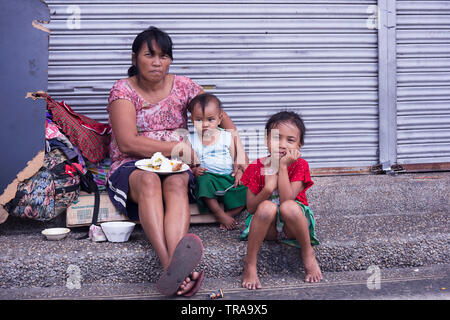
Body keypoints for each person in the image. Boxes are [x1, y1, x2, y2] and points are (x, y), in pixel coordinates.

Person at [106, 26, 240, 296]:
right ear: (134, 58)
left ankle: (176, 269)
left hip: (176, 166)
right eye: (150, 55)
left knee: (178, 182)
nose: (158, 62)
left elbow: (221, 117)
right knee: (149, 180)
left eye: (164, 56)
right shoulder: (123, 91)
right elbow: (127, 142)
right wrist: (177, 148)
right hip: (133, 165)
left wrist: (239, 156)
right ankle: (171, 266)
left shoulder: (185, 86)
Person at [239, 111, 322, 290]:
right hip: (266, 228)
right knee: (267, 207)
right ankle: (250, 263)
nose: (282, 145)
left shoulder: (301, 165)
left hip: (292, 226)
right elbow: (251, 208)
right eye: (277, 138)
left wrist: (282, 167)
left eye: (290, 140)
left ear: (299, 145)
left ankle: (307, 253)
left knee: (289, 207)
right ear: (267, 140)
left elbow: (286, 200)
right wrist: (267, 189)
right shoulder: (256, 167)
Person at [187, 93, 248, 230]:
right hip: (208, 178)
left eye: (210, 119)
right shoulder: (190, 140)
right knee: (203, 183)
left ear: (220, 119)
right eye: (199, 120)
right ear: (191, 120)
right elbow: (188, 165)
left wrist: (238, 173)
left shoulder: (227, 137)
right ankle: (219, 214)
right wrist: (195, 171)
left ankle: (229, 214)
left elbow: (235, 161)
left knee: (248, 188)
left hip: (228, 177)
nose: (205, 125)